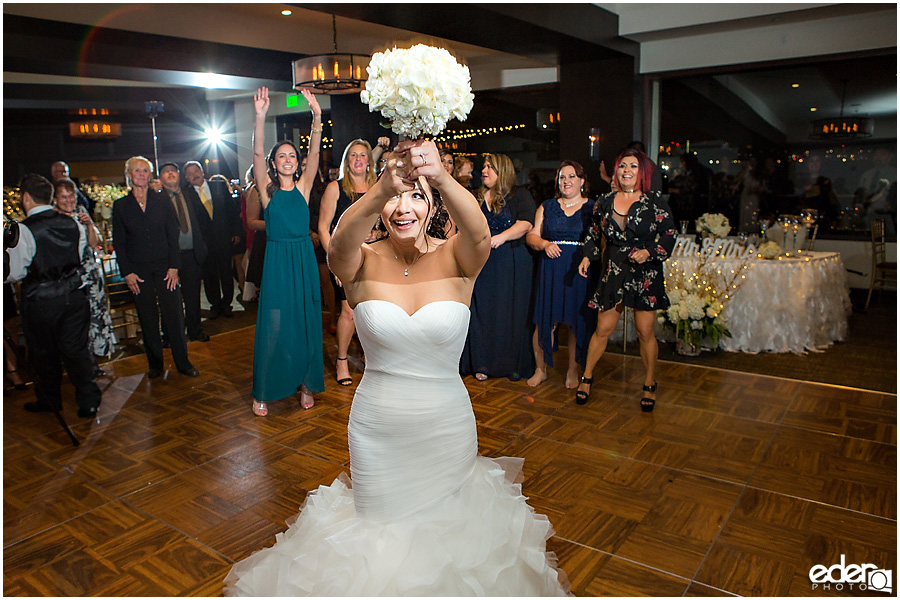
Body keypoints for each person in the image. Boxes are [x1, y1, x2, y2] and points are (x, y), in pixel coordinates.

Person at [224, 138, 568, 597]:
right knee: (379, 546)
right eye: (396, 200)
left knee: (448, 544)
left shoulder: (459, 257)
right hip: (377, 431)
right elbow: (339, 242)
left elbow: (482, 234)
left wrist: (442, 176)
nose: (404, 209)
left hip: (446, 427)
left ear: (433, 207)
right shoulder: (360, 262)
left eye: (417, 197)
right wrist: (382, 188)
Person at [576, 149, 676, 412]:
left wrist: (650, 252)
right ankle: (586, 378)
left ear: (642, 172)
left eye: (632, 166)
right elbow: (594, 233)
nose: (626, 170)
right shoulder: (605, 200)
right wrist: (588, 257)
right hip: (614, 269)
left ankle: (649, 382)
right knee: (603, 329)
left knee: (645, 332)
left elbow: (669, 235)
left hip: (646, 271)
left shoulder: (655, 202)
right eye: (622, 166)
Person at [249, 87, 323, 417]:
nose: (289, 159)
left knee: (307, 321)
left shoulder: (305, 187)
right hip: (278, 261)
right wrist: (261, 116)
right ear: (274, 165)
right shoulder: (268, 192)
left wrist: (317, 116)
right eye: (282, 156)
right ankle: (264, 388)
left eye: (292, 155)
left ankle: (306, 383)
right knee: (274, 325)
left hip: (304, 259)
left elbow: (317, 155)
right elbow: (255, 155)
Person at [5, 174, 102, 418]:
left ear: (25, 198)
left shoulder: (24, 230)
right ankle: (89, 401)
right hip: (74, 297)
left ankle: (50, 400)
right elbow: (78, 257)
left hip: (41, 301)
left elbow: (15, 272)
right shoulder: (74, 224)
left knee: (44, 354)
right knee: (76, 350)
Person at [112, 156, 199, 379]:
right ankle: (155, 365)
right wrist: (127, 272)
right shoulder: (121, 206)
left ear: (150, 175)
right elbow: (119, 242)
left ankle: (183, 363)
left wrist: (174, 267)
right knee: (147, 317)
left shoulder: (162, 202)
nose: (141, 174)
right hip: (138, 271)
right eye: (136, 171)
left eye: (145, 171)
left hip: (165, 268)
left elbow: (173, 234)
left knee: (174, 316)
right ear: (129, 175)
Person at [459, 153, 536, 381]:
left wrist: (500, 238)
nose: (484, 170)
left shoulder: (519, 194)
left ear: (503, 171)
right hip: (482, 260)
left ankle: (508, 365)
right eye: (484, 166)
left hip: (510, 260)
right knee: (482, 310)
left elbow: (526, 223)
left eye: (490, 167)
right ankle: (481, 362)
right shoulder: (477, 195)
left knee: (508, 311)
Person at [525, 160, 595, 389]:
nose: (566, 181)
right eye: (562, 177)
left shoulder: (592, 207)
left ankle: (573, 371)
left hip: (578, 269)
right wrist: (544, 244)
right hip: (550, 268)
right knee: (544, 321)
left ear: (582, 180)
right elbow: (531, 236)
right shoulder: (547, 206)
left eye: (571, 176)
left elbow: (597, 240)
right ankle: (540, 369)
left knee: (576, 323)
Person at [317, 138, 378, 387]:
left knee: (373, 311)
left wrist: (378, 234)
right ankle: (342, 360)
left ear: (369, 161)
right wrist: (335, 262)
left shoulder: (377, 187)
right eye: (353, 155)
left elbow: (387, 221)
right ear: (346, 161)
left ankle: (370, 356)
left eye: (362, 155)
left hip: (375, 255)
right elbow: (322, 228)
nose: (358, 160)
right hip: (347, 257)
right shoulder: (335, 188)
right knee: (348, 312)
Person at [53, 178, 117, 367]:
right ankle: (80, 362)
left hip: (91, 273)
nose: (68, 200)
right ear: (55, 199)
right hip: (70, 276)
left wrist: (89, 224)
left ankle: (94, 360)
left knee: (93, 316)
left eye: (71, 195)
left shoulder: (80, 212)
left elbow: (94, 242)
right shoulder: (52, 218)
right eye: (63, 196)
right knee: (75, 321)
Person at [182, 161, 242, 319]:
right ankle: (215, 305)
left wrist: (236, 231)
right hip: (203, 243)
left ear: (202, 171)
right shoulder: (186, 194)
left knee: (226, 273)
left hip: (224, 237)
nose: (194, 175)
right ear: (186, 178)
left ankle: (227, 304)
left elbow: (232, 210)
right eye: (190, 173)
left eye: (196, 171)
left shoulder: (218, 186)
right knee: (209, 275)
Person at [158, 162, 210, 342]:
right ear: (160, 178)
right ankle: (170, 335)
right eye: (166, 172)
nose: (170, 174)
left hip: (191, 255)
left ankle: (195, 331)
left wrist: (202, 244)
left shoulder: (189, 194)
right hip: (169, 258)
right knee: (170, 298)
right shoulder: (157, 198)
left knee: (193, 296)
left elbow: (203, 219)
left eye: (173, 171)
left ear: (179, 176)